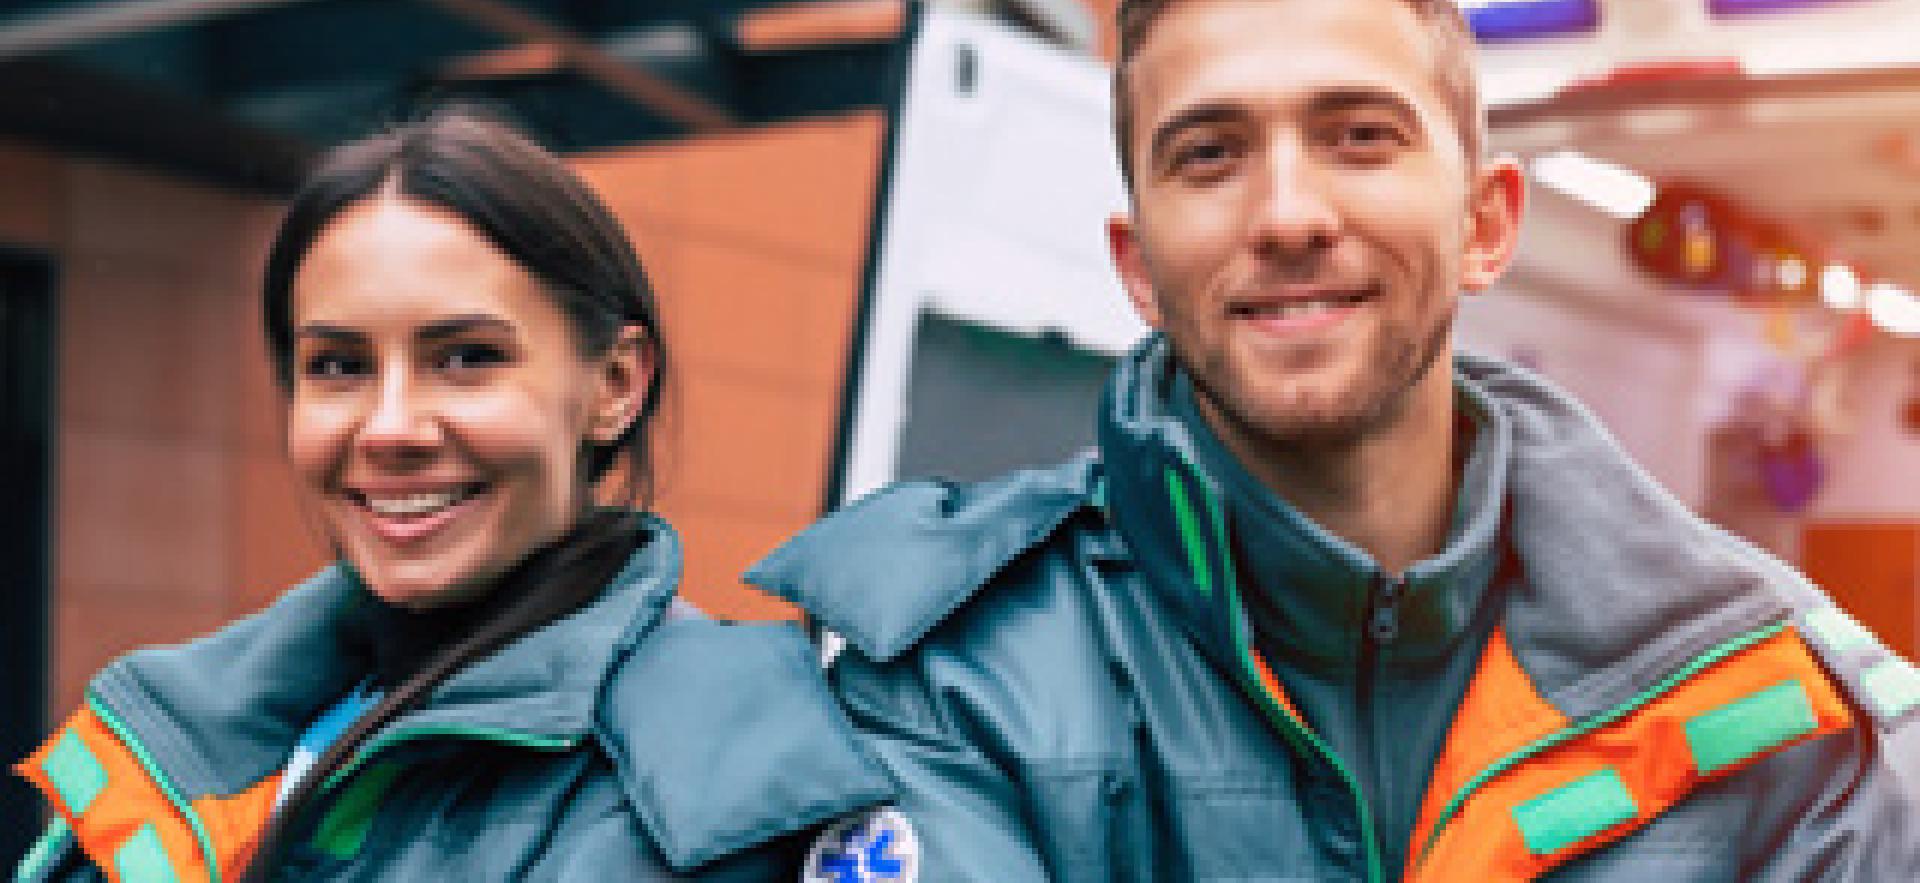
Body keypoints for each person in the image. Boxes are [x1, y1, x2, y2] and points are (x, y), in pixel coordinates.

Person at [756, 1, 1920, 880]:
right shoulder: (958, 685)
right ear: (1138, 267)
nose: (1287, 215)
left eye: (1360, 136)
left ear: (1486, 223)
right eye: (1210, 154)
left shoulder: (1775, 699)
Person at [12, 112, 891, 882]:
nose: (390, 427)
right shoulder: (186, 727)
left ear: (616, 384)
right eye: (339, 366)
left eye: (467, 357)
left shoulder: (713, 776)